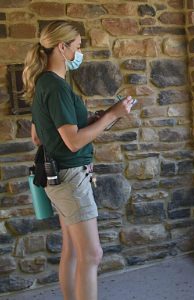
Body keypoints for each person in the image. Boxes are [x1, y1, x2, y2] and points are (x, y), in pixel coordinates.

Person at [22, 21, 134, 300]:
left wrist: (94, 120)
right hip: (71, 179)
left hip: (60, 178)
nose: (79, 52)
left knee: (73, 250)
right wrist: (112, 115)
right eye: (77, 47)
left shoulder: (43, 84)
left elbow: (38, 137)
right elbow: (72, 141)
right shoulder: (57, 86)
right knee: (92, 254)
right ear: (62, 47)